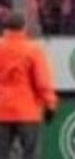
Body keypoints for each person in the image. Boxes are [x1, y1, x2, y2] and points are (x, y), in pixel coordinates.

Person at [0, 11, 57, 159]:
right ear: (24, 27)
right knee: (31, 153)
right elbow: (42, 81)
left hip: (2, 111)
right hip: (27, 110)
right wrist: (50, 104)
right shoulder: (33, 50)